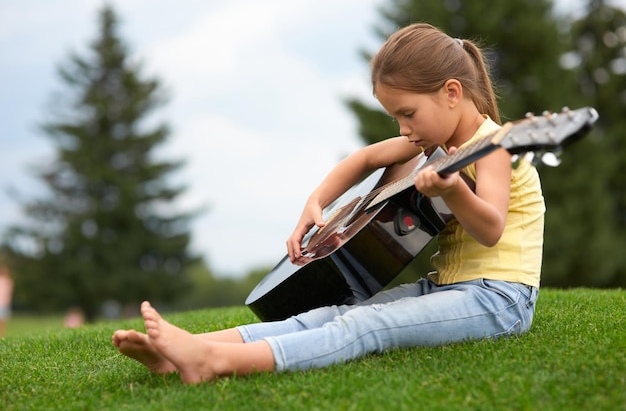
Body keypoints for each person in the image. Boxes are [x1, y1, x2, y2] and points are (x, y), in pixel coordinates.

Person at [112, 23, 544, 384]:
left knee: (365, 325)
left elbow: (490, 230)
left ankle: (214, 362)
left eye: (408, 113)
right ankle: (183, 351)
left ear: (451, 92)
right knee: (330, 314)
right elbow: (366, 158)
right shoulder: (438, 145)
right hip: (449, 289)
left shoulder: (493, 148)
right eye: (396, 116)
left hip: (499, 300)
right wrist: (315, 202)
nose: (404, 129)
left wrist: (452, 190)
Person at [0, 264, 14, 338]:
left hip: (4, 304)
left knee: (3, 321)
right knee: (2, 321)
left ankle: (1, 335)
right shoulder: (8, 281)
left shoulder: (8, 281)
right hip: (3, 303)